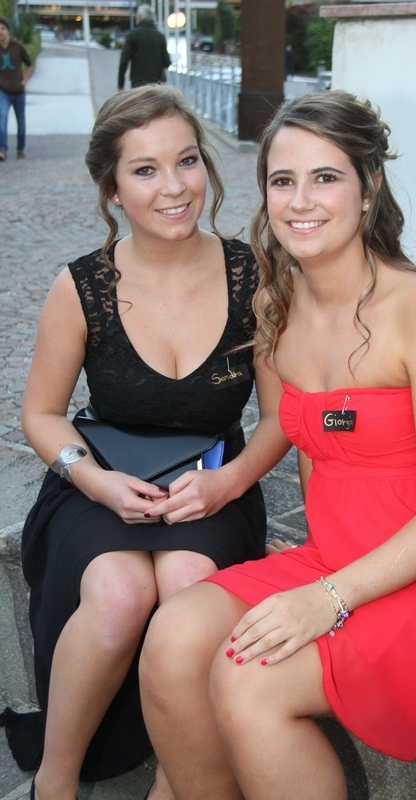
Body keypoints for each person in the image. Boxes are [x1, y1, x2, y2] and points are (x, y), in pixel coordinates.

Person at [139, 90, 416, 800]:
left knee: (248, 678)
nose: (300, 202)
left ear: (368, 186)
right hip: (342, 557)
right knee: (172, 637)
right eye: (282, 180)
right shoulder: (275, 305)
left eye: (325, 177)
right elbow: (309, 447)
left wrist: (325, 599)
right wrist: (313, 562)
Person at [9, 84, 290, 800]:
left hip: (214, 483)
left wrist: (228, 484)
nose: (174, 187)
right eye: (144, 170)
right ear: (112, 190)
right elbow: (41, 414)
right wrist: (92, 479)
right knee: (119, 592)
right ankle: (54, 782)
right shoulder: (82, 286)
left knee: (188, 588)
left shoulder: (254, 278)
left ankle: (177, 781)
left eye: (187, 161)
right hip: (100, 482)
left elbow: (280, 418)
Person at [0, 15, 33, 161]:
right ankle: (2, 149)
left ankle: (20, 149)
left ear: (8, 30)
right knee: (2, 117)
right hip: (3, 91)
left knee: (21, 121)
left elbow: (29, 64)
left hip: (18, 91)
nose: (0, 32)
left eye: (2, 29)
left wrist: (24, 81)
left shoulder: (17, 46)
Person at [118, 5, 170, 92]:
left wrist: (120, 84)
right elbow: (166, 62)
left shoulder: (133, 35)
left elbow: (124, 61)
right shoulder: (159, 36)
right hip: (157, 83)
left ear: (139, 17)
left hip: (138, 83)